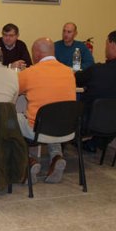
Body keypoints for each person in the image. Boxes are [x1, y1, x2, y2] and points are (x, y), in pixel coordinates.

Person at [17, 37, 76, 184]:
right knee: (53, 117)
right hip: (66, 129)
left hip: (38, 131)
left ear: (36, 54)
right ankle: (57, 156)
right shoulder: (69, 72)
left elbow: (14, 90)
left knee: (12, 116)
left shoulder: (30, 72)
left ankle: (28, 160)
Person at [75, 29, 116, 151]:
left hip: (91, 123)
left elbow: (75, 79)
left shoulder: (97, 71)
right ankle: (95, 143)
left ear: (112, 45)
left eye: (106, 44)